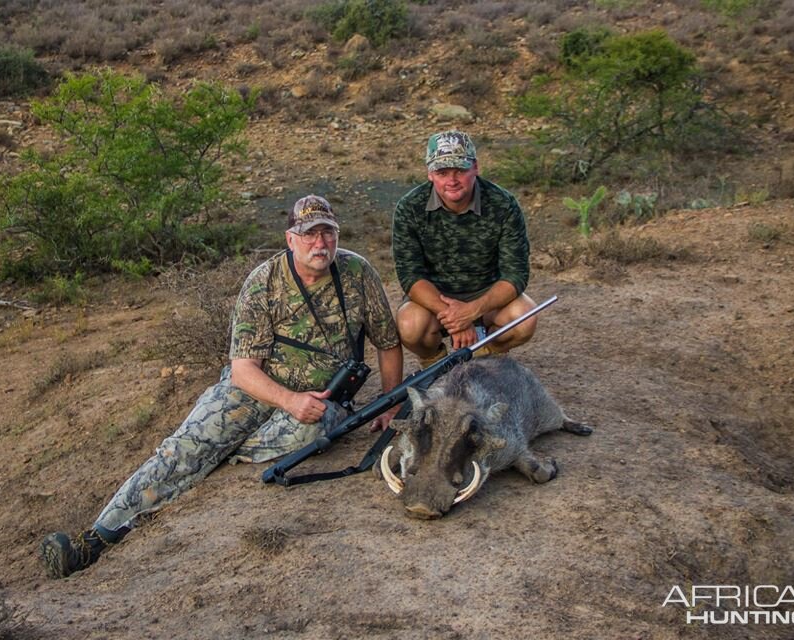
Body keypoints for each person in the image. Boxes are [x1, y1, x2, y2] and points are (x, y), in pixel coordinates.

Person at [40, 195, 403, 579]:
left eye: (327, 233)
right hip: (255, 391)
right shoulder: (263, 282)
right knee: (182, 449)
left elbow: (388, 343)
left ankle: (220, 452)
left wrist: (390, 402)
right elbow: (244, 370)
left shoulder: (358, 272)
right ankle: (95, 539)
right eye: (309, 234)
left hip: (321, 401)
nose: (320, 243)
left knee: (318, 427)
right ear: (290, 239)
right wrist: (289, 400)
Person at [392, 130, 538, 367]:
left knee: (526, 317)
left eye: (460, 170)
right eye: (442, 172)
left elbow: (516, 275)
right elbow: (411, 276)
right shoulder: (410, 207)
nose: (452, 180)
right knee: (409, 325)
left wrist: (471, 312)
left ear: (476, 167)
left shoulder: (504, 204)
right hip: (435, 303)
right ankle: (435, 363)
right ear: (430, 174)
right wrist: (456, 320)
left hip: (488, 299)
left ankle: (487, 352)